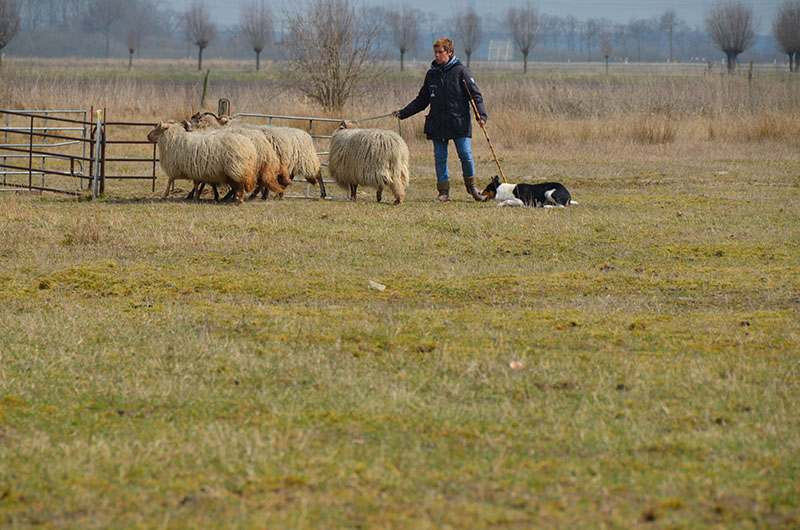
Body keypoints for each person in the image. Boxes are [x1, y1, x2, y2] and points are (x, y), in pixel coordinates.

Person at [392, 37, 487, 202]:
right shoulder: (431, 74)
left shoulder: (462, 72)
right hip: (437, 124)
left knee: (465, 155)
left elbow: (475, 96)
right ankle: (443, 192)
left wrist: (481, 116)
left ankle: (472, 188)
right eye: (435, 52)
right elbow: (422, 100)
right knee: (440, 158)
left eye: (440, 52)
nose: (437, 55)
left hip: (459, 122)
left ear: (450, 53)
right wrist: (403, 112)